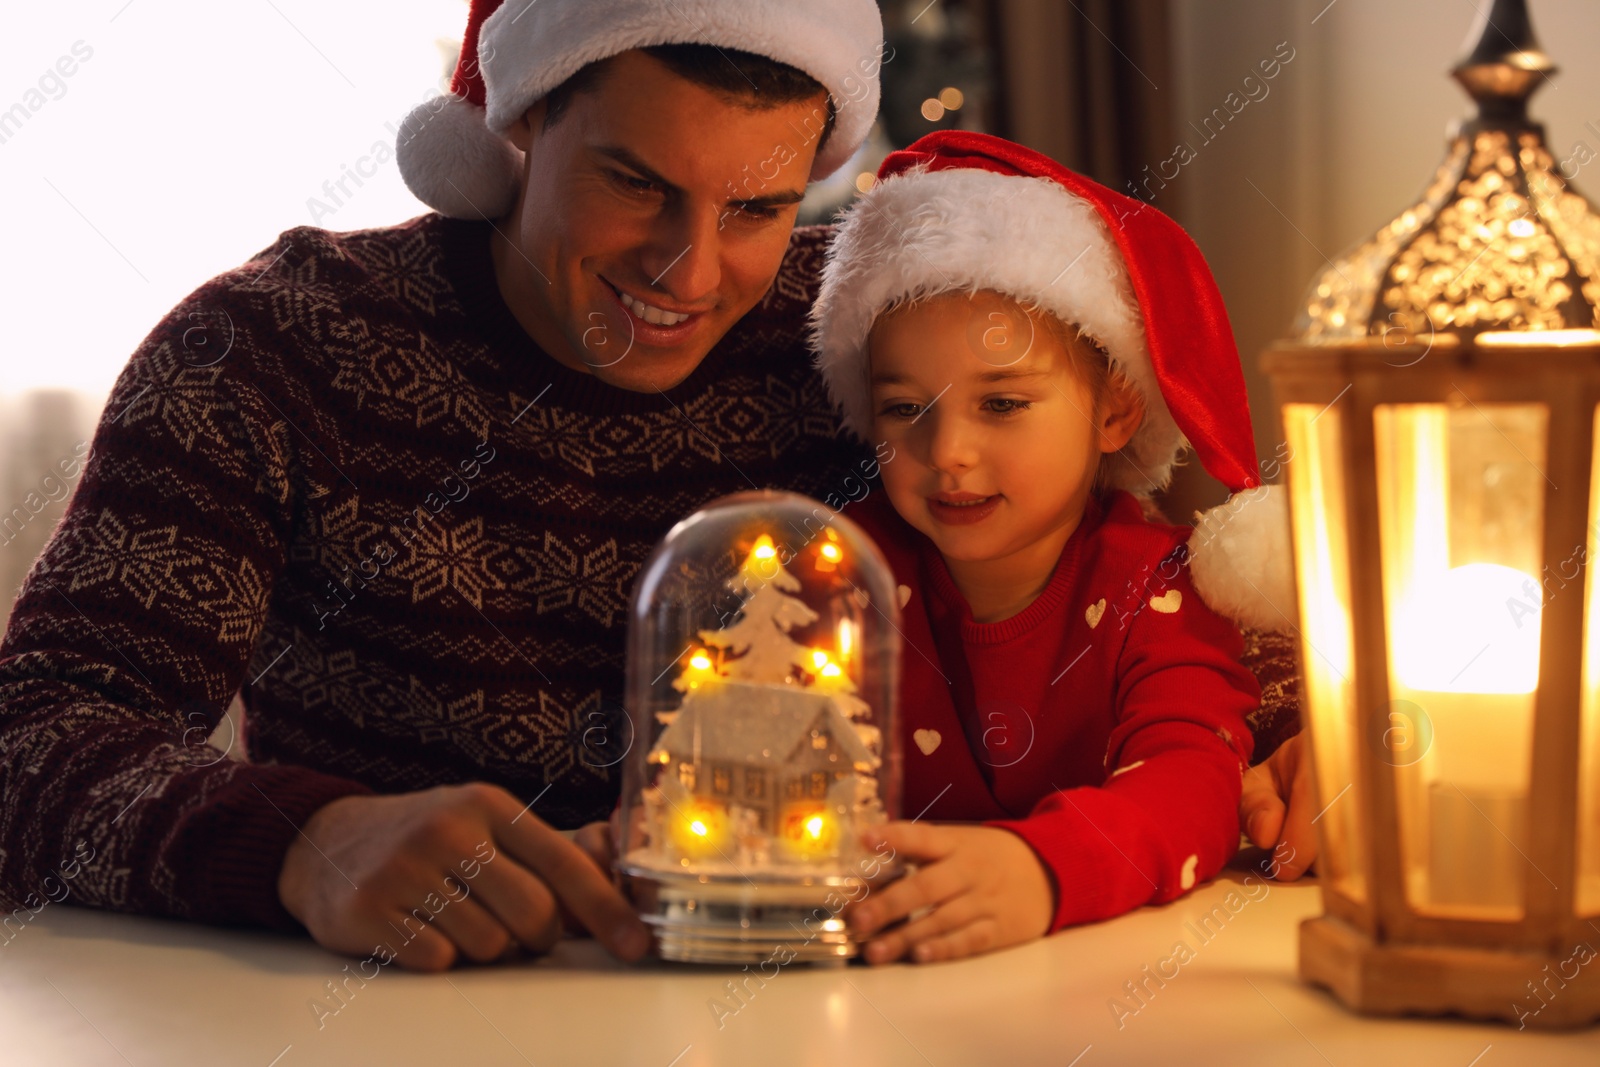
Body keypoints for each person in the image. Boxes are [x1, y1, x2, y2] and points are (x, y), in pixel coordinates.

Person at [0, 0, 890, 972]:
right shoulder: (271, 352)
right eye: (634, 182)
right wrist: (306, 843)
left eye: (757, 209)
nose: (689, 270)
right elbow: (32, 739)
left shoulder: (872, 343)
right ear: (517, 119)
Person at [807, 131, 1297, 963]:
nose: (948, 450)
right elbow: (756, 748)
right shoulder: (842, 574)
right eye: (905, 409)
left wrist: (1043, 867)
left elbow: (1194, 784)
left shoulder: (1159, 591)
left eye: (1001, 405)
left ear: (1114, 412)